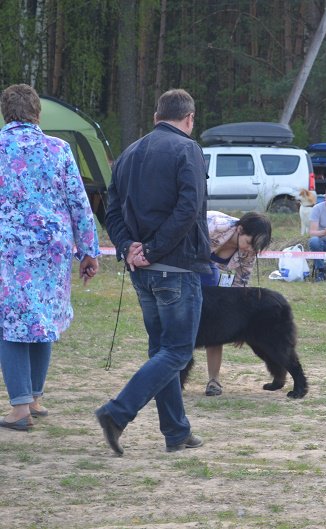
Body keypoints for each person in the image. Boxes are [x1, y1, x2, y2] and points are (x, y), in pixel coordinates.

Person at [97, 88, 210, 455]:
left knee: (162, 352)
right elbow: (190, 207)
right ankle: (117, 413)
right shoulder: (187, 149)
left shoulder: (128, 152)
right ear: (189, 119)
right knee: (176, 352)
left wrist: (129, 246)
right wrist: (151, 249)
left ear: (156, 117)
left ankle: (176, 432)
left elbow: (110, 208)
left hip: (143, 270)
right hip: (174, 267)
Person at [0, 84, 100, 432]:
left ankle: (20, 409)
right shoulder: (59, 149)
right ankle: (35, 398)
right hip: (51, 249)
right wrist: (89, 250)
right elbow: (79, 202)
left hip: (8, 250)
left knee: (12, 324)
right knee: (42, 319)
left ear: (5, 112)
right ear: (37, 113)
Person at [202, 210, 272, 396]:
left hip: (210, 270)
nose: (250, 250)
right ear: (240, 229)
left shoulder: (249, 251)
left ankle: (214, 380)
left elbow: (240, 287)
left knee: (214, 322)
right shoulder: (214, 226)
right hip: (186, 262)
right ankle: (173, 377)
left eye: (255, 248)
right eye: (249, 243)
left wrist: (237, 325)